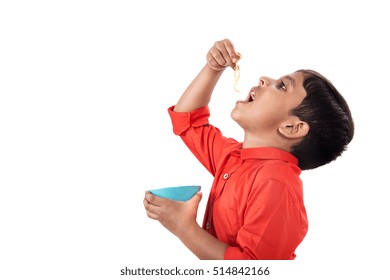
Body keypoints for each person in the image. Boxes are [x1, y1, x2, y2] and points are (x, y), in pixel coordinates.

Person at [143, 39, 354, 260]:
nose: (264, 79)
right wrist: (213, 68)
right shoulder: (234, 157)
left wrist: (184, 227)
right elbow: (187, 121)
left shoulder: (276, 184)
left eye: (282, 85)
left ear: (291, 127)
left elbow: (253, 269)